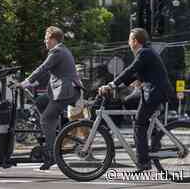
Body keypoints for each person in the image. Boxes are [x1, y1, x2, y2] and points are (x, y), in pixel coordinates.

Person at [99, 28, 173, 172]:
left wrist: (111, 84)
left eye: (129, 39)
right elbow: (133, 75)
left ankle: (143, 162)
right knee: (128, 101)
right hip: (152, 92)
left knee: (139, 124)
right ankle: (147, 143)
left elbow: (130, 70)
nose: (128, 43)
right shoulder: (146, 52)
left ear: (135, 41)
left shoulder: (144, 53)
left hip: (154, 92)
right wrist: (117, 87)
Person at [18, 26, 83, 170]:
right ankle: (52, 130)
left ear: (53, 39)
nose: (44, 42)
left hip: (66, 91)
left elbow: (43, 68)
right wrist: (31, 83)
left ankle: (52, 154)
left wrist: (24, 83)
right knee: (40, 102)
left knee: (46, 119)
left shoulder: (57, 51)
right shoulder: (63, 50)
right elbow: (51, 73)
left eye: (46, 39)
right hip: (62, 91)